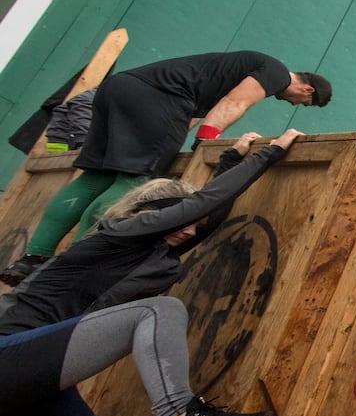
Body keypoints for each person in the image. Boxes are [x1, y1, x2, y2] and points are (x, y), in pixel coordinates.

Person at [0, 129, 302, 416]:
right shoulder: (117, 234)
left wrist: (229, 159)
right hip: (6, 356)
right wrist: (273, 149)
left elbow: (206, 210)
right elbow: (203, 203)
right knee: (158, 310)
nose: (189, 231)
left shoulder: (153, 252)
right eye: (180, 220)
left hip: (28, 389)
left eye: (192, 227)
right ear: (148, 214)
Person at [1, 52, 331, 286]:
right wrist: (205, 143)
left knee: (97, 175)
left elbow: (192, 113)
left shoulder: (228, 67)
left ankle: (35, 258)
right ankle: (73, 262)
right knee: (135, 180)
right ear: (307, 90)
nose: (294, 105)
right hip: (157, 99)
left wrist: (176, 138)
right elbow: (234, 104)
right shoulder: (274, 72)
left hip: (120, 89)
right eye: (303, 103)